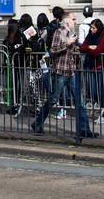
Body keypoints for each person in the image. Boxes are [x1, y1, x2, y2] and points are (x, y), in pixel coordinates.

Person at [32, 10, 95, 139]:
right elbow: (54, 49)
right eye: (73, 19)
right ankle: (37, 122)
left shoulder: (71, 32)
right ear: (66, 21)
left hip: (71, 71)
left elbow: (76, 46)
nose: (75, 22)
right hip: (61, 71)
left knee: (79, 101)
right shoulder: (58, 32)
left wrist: (88, 47)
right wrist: (68, 43)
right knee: (53, 99)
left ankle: (84, 129)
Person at [78, 17, 104, 120]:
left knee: (102, 91)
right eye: (91, 28)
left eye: (93, 28)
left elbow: (98, 51)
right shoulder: (90, 36)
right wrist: (90, 47)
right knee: (93, 91)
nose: (91, 30)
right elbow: (82, 48)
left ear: (98, 28)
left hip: (101, 67)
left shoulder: (103, 36)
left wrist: (90, 49)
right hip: (91, 67)